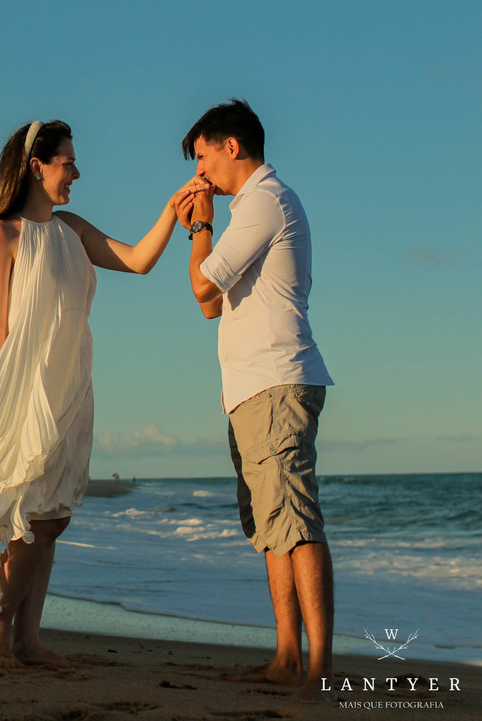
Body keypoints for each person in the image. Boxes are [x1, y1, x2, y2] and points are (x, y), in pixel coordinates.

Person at [0, 120, 189, 669]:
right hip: (21, 394)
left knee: (53, 515)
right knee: (39, 518)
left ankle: (28, 640)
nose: (76, 171)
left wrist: (173, 209)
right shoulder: (2, 236)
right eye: (67, 162)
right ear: (35, 167)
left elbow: (138, 259)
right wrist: (4, 409)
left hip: (70, 385)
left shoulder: (70, 230)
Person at [175, 98, 334, 701]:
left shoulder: (264, 201)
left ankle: (316, 669)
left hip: (275, 380)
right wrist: (209, 227)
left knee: (294, 518)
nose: (200, 173)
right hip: (252, 387)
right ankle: (286, 658)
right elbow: (212, 303)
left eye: (202, 157)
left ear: (231, 147)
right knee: (271, 526)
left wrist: (199, 225)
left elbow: (199, 284)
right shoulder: (254, 207)